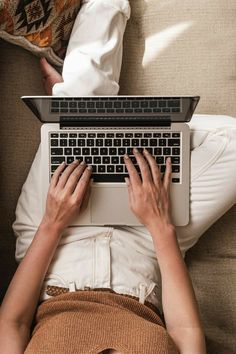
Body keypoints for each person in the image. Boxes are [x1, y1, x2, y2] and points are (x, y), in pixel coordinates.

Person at [0, 0, 236, 353]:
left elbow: (12, 323)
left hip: (56, 238)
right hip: (149, 246)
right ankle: (81, 110)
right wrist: (159, 223)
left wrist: (53, 220)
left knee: (83, 102)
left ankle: (77, 107)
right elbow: (185, 331)